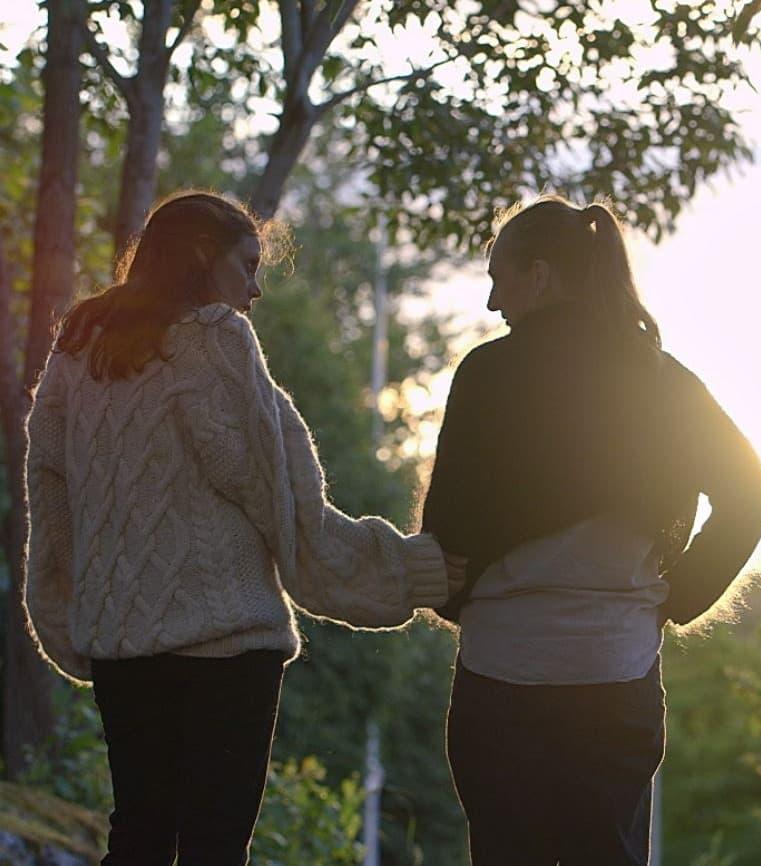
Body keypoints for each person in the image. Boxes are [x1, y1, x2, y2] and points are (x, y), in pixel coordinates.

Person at [22, 190, 453, 866]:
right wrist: (411, 570)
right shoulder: (214, 338)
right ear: (200, 256)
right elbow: (277, 499)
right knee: (214, 849)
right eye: (246, 266)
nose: (253, 291)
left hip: (121, 642)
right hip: (225, 640)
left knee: (137, 837)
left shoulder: (79, 347)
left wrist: (68, 608)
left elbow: (48, 493)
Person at [420, 195, 761, 865]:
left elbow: (448, 533)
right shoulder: (664, 380)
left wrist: (452, 591)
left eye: (500, 278)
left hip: (502, 678)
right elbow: (751, 494)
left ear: (542, 274)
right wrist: (681, 593)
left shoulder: (487, 375)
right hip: (615, 674)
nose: (494, 302)